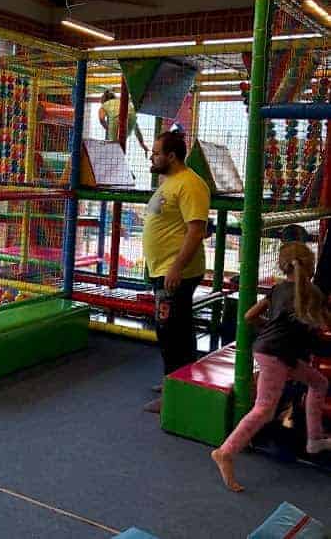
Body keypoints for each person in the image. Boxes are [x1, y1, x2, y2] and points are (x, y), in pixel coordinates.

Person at [211, 242, 331, 492]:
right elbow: (325, 323)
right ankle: (225, 452)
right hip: (276, 356)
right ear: (311, 265)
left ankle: (315, 440)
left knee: (319, 382)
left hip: (274, 352)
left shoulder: (277, 290)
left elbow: (249, 317)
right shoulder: (314, 293)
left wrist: (271, 329)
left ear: (282, 265)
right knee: (265, 409)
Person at [142, 130, 210, 412]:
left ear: (171, 156)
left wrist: (176, 268)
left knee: (170, 330)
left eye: (156, 153)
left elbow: (196, 231)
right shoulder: (168, 182)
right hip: (162, 268)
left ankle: (174, 392)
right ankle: (179, 381)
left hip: (177, 271)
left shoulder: (190, 184)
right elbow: (159, 220)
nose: (152, 157)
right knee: (174, 328)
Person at [98, 89, 149, 157]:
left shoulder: (104, 105)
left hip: (117, 119)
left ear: (103, 100)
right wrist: (142, 143)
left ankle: (115, 154)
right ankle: (119, 148)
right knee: (118, 143)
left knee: (113, 146)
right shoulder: (122, 102)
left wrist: (107, 127)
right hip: (132, 117)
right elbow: (137, 129)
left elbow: (101, 119)